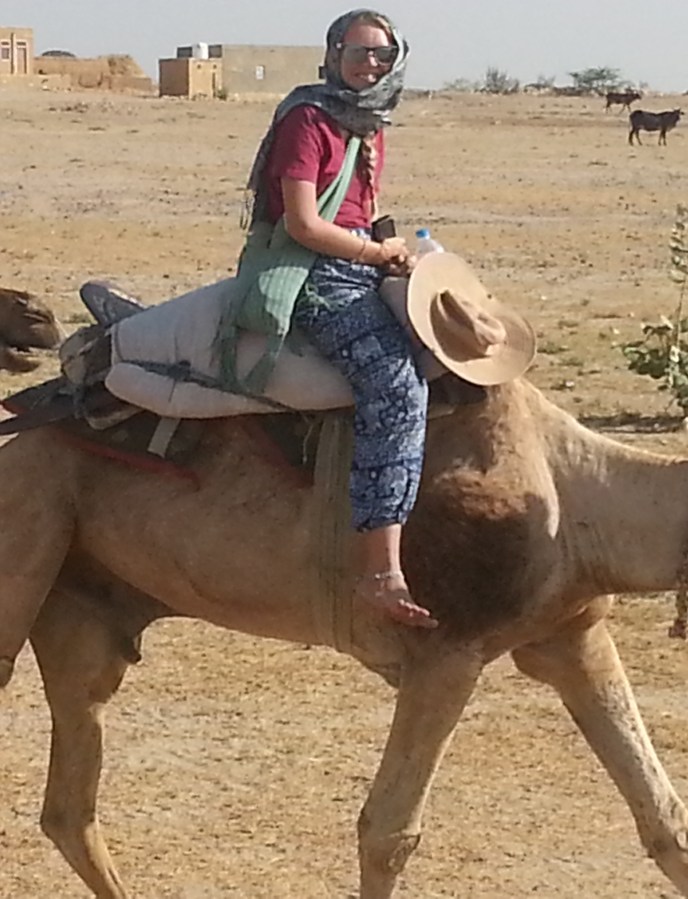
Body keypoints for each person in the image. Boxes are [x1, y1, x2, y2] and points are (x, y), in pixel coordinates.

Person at [243, 9, 435, 628]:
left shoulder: (370, 121)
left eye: (383, 54)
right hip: (314, 274)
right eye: (359, 52)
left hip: (360, 261)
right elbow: (303, 223)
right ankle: (378, 571)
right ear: (332, 54)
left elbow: (361, 210)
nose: (371, 64)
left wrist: (394, 252)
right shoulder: (308, 118)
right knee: (396, 388)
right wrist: (374, 254)